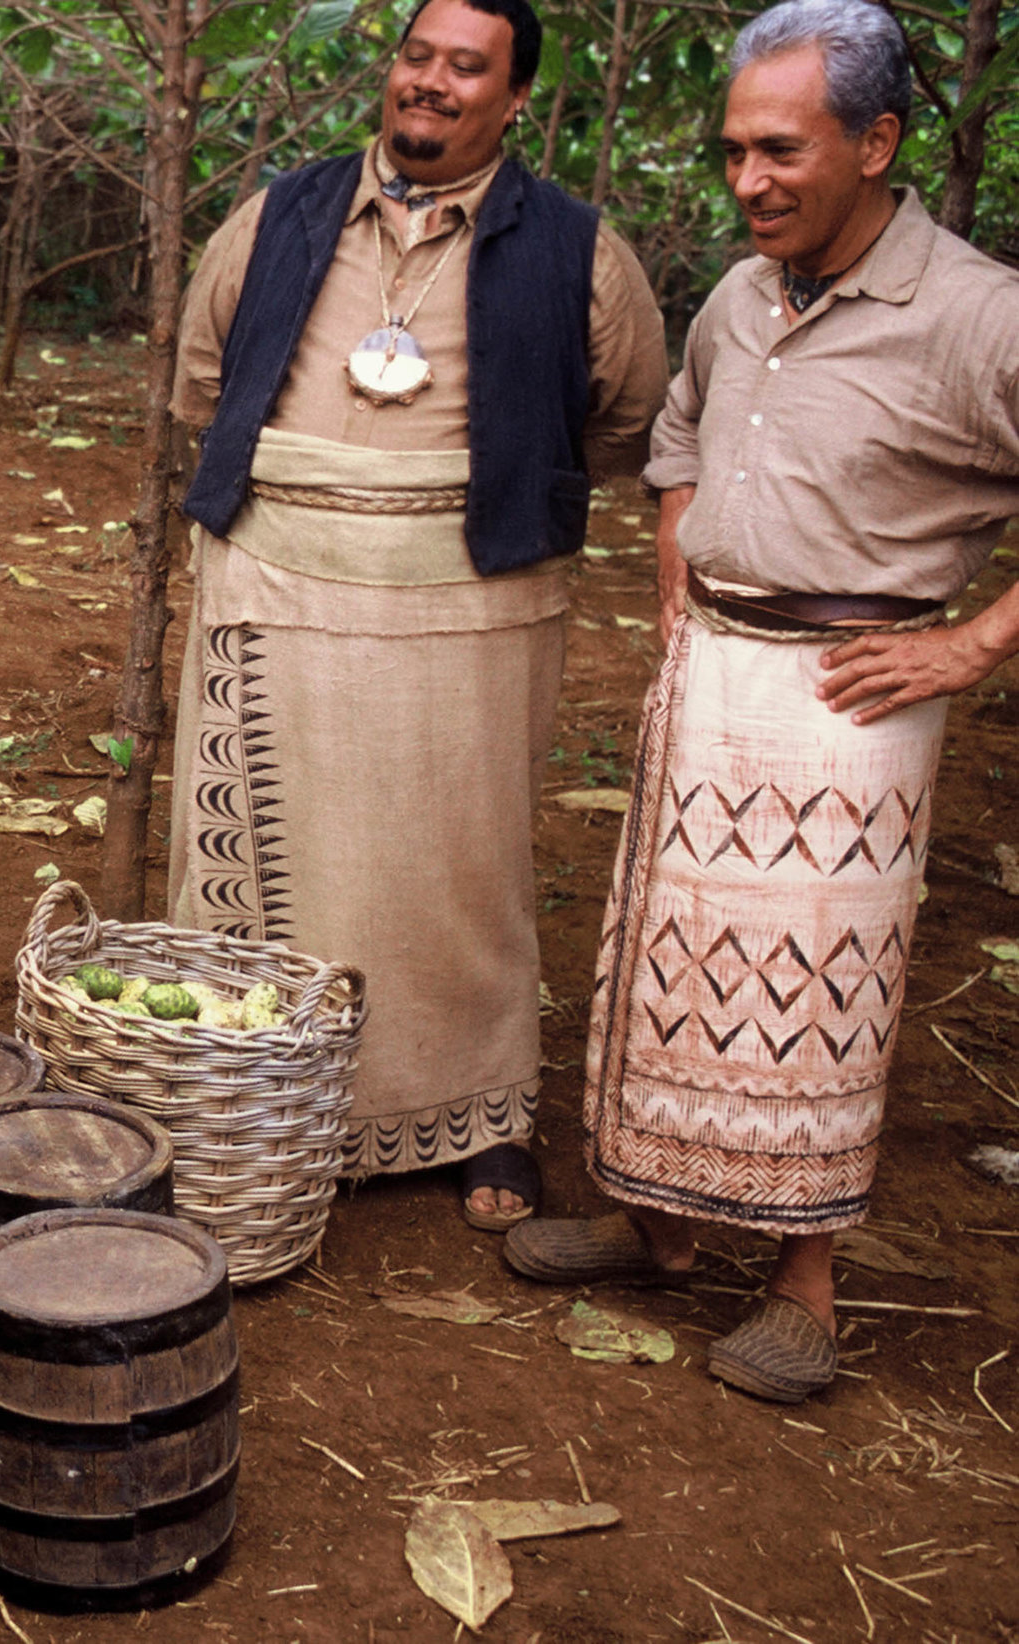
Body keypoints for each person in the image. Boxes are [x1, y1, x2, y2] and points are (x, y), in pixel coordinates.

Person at [506, 0, 1019, 1402]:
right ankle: (659, 1223)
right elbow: (677, 439)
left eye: (781, 152)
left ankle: (804, 1279)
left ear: (879, 140)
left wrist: (971, 645)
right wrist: (679, 574)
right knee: (670, 975)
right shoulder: (742, 295)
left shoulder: (977, 312)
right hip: (709, 678)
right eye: (734, 152)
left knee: (814, 1006)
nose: (749, 183)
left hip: (855, 698)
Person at [166, 0, 666, 1227]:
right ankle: (245, 1086)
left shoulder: (576, 250)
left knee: (461, 855)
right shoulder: (278, 215)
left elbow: (623, 419)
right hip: (274, 578)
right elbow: (199, 379)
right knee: (267, 844)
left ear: (513, 100)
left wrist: (467, 492)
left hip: (472, 596)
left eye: (464, 67)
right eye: (416, 57)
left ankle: (476, 1114)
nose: (429, 84)